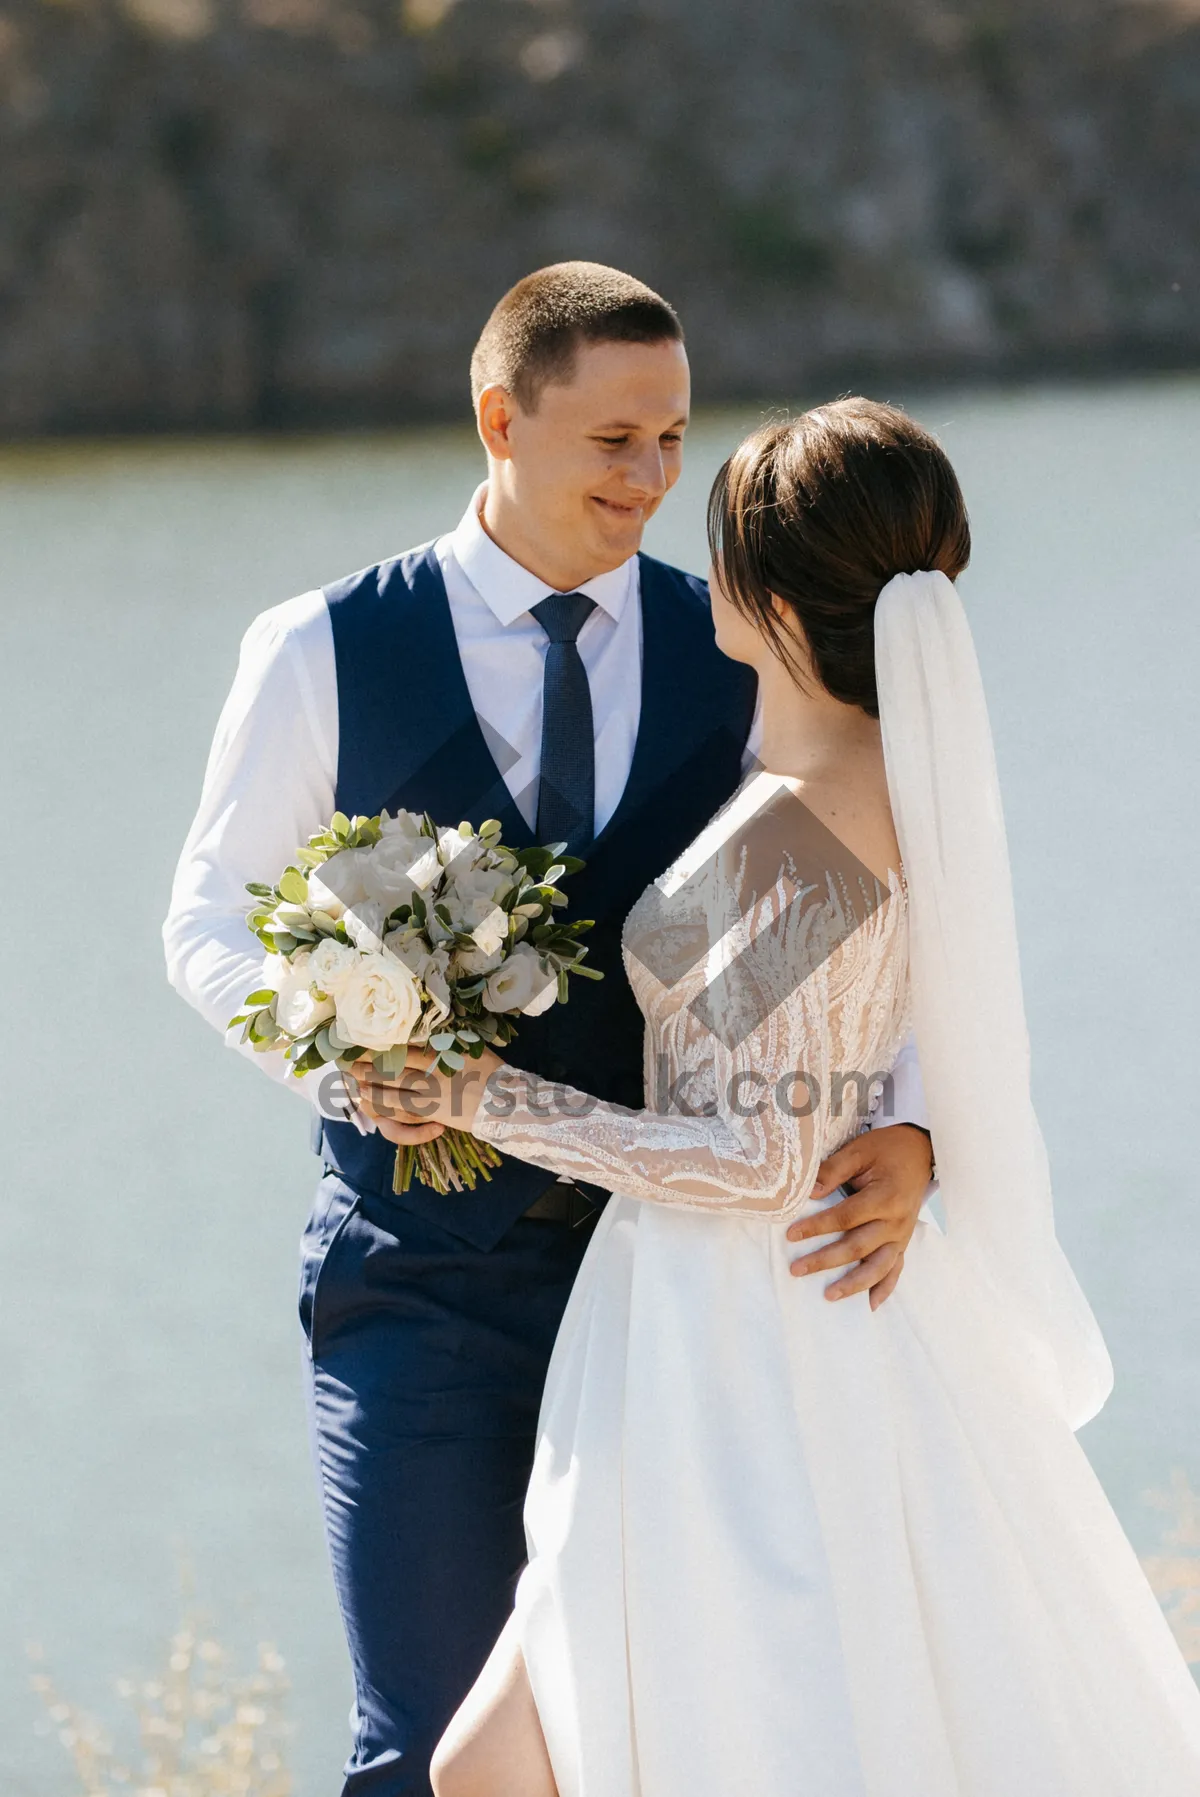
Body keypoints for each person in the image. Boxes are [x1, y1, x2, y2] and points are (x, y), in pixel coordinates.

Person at [162, 266, 936, 1797]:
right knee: (428, 1750)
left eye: (673, 439)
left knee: (666, 1742)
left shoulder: (743, 644)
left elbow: (871, 898)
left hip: (677, 1304)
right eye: (616, 443)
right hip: (423, 1288)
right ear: (500, 419)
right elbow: (207, 923)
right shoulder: (318, 647)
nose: (655, 481)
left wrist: (914, 1129)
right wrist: (343, 1057)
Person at [355, 399, 1200, 1797]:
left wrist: (475, 1097)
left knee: (562, 1762)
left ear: (773, 590)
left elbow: (757, 1163)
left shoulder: (823, 814)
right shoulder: (814, 773)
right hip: (693, 1323)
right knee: (507, 1765)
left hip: (752, 1344)